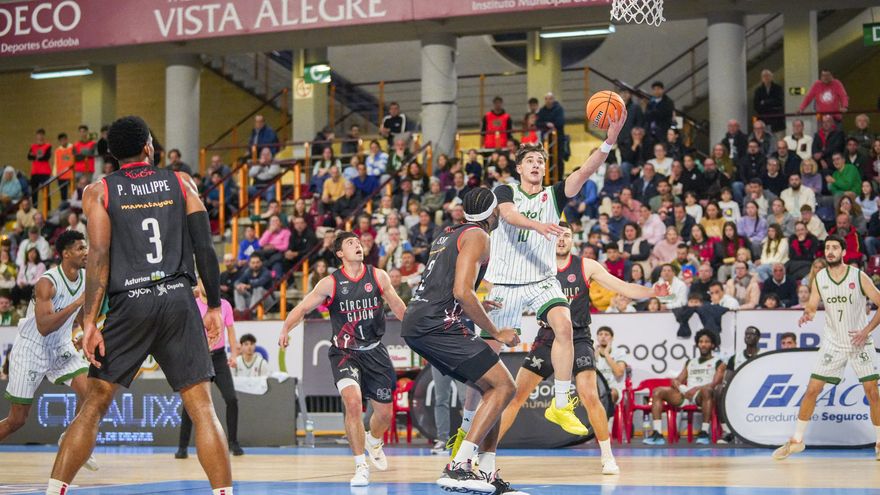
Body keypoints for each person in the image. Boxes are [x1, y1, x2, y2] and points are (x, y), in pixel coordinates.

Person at [48, 116, 232, 495]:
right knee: (203, 409)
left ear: (112, 156)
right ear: (149, 146)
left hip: (129, 303)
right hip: (178, 301)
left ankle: (55, 491)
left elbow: (98, 256)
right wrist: (214, 305)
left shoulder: (99, 192)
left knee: (93, 407)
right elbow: (204, 249)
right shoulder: (181, 183)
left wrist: (92, 320)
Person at [481, 110, 627, 442]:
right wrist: (538, 225)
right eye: (529, 160)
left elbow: (587, 170)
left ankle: (560, 403)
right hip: (506, 281)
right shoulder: (506, 191)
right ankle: (469, 427)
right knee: (489, 355)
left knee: (564, 325)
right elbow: (509, 215)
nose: (535, 165)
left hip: (541, 280)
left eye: (539, 161)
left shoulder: (554, 195)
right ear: (519, 168)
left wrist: (609, 140)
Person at [498, 223, 666, 475]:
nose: (562, 240)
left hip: (578, 338)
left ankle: (608, 457)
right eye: (558, 236)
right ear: (549, 240)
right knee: (514, 397)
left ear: (574, 240)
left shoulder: (586, 266)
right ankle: (482, 455)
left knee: (590, 395)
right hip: (546, 337)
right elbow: (511, 296)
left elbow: (624, 288)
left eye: (567, 236)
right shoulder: (536, 266)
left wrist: (653, 291)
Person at [401, 188, 522, 493]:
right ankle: (458, 466)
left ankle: (488, 473)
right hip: (436, 324)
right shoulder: (480, 237)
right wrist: (496, 332)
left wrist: (479, 302)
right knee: (505, 385)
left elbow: (445, 283)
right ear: (492, 213)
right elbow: (461, 292)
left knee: (492, 390)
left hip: (421, 320)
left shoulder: (448, 232)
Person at [279, 232, 407, 487]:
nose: (358, 245)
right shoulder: (330, 282)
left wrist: (420, 333)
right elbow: (303, 308)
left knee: (384, 414)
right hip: (344, 353)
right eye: (351, 243)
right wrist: (285, 328)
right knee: (352, 402)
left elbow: (398, 305)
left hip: (375, 351)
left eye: (359, 242)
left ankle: (374, 440)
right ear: (340, 253)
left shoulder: (378, 276)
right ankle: (361, 465)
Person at [774, 235, 880, 460]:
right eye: (827, 248)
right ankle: (797, 440)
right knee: (812, 389)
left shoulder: (858, 276)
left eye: (835, 248)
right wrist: (807, 314)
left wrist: (866, 331)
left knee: (872, 392)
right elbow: (813, 305)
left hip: (859, 340)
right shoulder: (819, 277)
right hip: (833, 341)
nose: (830, 251)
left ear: (843, 252)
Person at [0, 232, 97, 471]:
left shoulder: (86, 277)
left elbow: (84, 312)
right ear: (65, 254)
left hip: (61, 345)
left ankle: (71, 439)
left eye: (86, 247)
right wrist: (76, 303)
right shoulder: (47, 282)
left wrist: (84, 331)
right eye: (80, 248)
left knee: (91, 392)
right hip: (32, 348)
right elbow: (43, 327)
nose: (86, 252)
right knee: (17, 420)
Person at [176, 279, 242, 459]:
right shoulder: (193, 305)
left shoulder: (225, 305)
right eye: (203, 281)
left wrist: (234, 355)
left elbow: (231, 331)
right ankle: (182, 446)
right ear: (198, 284)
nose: (207, 284)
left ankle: (233, 442)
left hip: (219, 357)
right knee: (191, 403)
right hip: (199, 356)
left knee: (232, 399)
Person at [644, 329, 725, 445]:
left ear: (712, 345)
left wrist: (696, 389)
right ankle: (657, 433)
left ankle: (704, 432)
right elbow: (679, 379)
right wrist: (676, 383)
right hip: (686, 394)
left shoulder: (719, 362)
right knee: (657, 391)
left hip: (702, 396)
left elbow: (715, 383)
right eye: (701, 341)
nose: (703, 344)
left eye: (707, 342)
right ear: (697, 344)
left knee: (707, 390)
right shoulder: (690, 362)